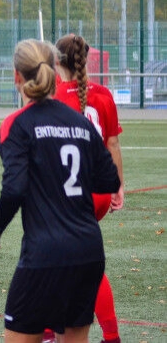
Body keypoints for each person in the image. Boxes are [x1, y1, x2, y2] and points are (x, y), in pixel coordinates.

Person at [0, 38, 120, 343]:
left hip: (45, 256)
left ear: (17, 76)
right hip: (88, 251)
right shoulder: (79, 121)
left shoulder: (16, 124)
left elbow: (15, 188)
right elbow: (109, 180)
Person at [52, 33, 125, 343]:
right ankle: (111, 336)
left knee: (51, 257)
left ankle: (45, 332)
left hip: (68, 193)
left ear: (57, 62)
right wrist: (118, 185)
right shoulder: (104, 95)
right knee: (88, 262)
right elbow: (112, 143)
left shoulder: (52, 97)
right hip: (99, 192)